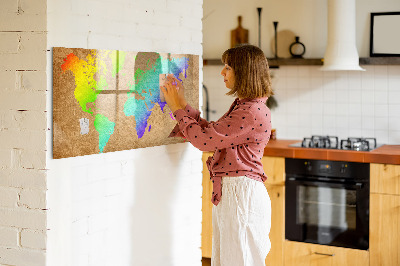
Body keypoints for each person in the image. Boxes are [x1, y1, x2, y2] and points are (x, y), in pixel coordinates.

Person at [161, 44, 273, 266]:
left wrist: (176, 107)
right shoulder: (246, 106)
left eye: (228, 67)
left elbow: (205, 141)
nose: (222, 72)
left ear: (244, 72)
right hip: (236, 193)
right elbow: (212, 133)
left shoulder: (250, 111)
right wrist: (182, 104)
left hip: (241, 195)